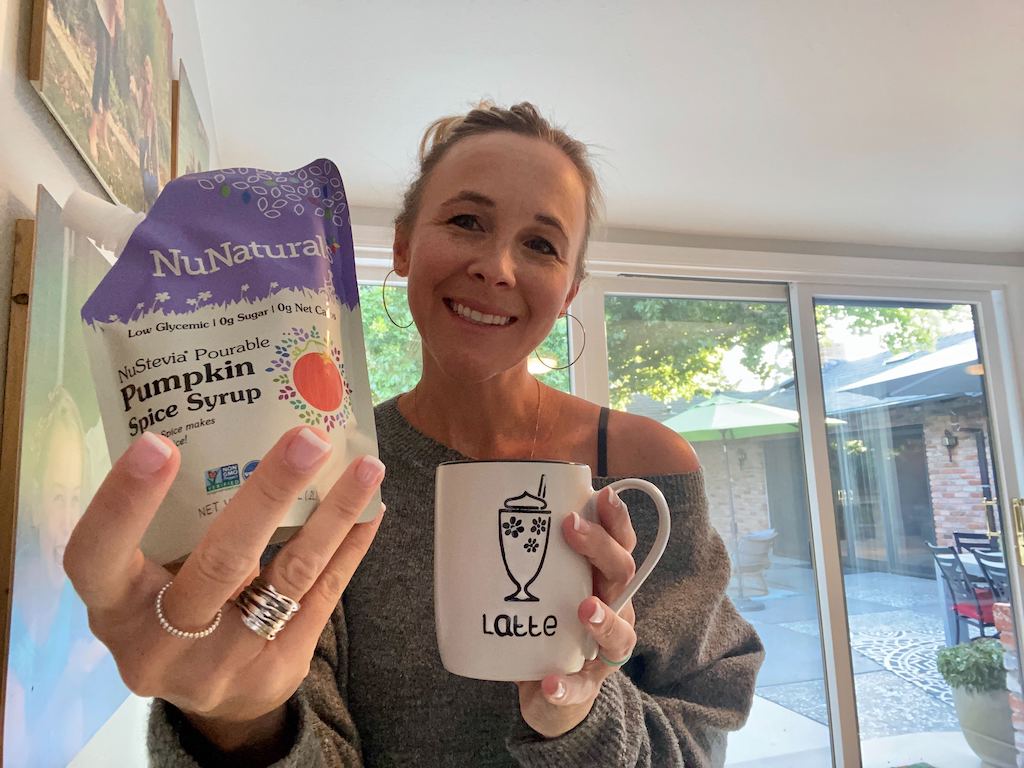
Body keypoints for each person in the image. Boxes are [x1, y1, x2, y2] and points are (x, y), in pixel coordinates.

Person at [64, 102, 764, 767]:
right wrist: (236, 721)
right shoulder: (333, 471)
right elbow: (302, 730)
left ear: (570, 289)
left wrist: (582, 715)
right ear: (402, 247)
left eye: (542, 244)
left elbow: (701, 739)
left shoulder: (646, 469)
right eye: (465, 221)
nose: (498, 266)